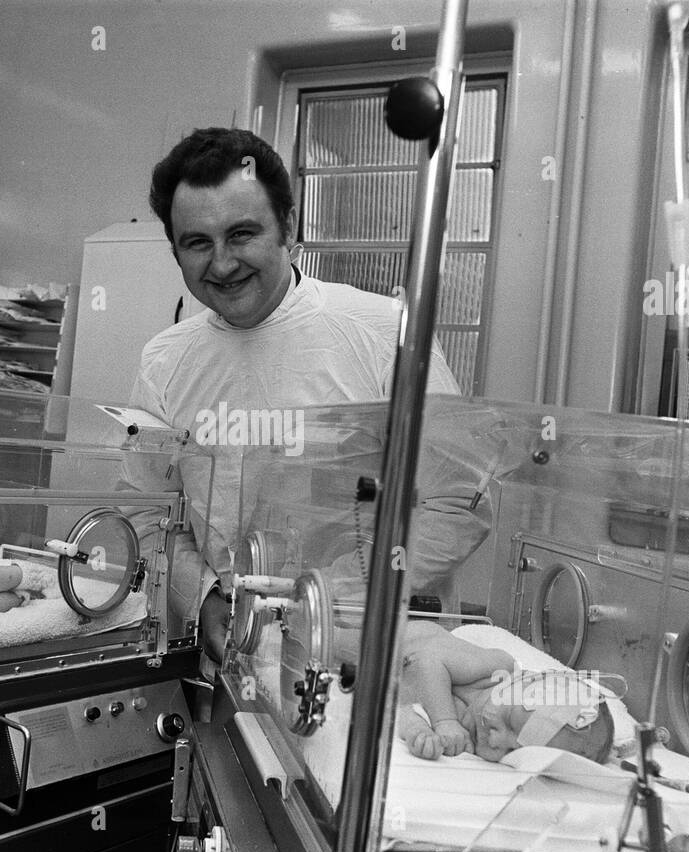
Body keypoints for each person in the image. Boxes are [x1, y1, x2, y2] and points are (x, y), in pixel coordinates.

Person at [123, 127, 484, 661]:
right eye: (198, 242)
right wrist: (200, 598)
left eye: (241, 234)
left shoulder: (383, 333)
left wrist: (323, 600)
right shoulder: (164, 361)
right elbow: (146, 512)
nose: (221, 264)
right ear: (175, 250)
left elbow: (458, 503)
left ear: (288, 228)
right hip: (233, 650)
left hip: (373, 655)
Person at [396, 622, 615, 763]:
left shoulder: (465, 736)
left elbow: (403, 712)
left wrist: (420, 732)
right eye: (510, 721)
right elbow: (428, 661)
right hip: (392, 635)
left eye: (511, 751)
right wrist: (444, 721)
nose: (497, 740)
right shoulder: (494, 669)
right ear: (525, 678)